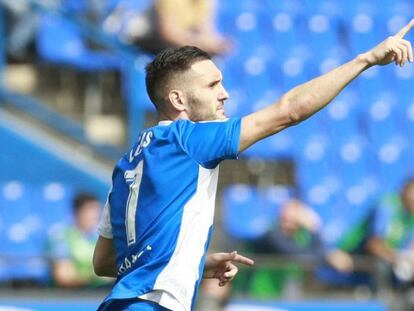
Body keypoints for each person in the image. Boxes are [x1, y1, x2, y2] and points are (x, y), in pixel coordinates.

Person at [93, 19, 414, 311]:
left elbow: (104, 261)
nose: (225, 94)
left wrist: (194, 262)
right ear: (178, 100)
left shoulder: (127, 165)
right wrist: (366, 60)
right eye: (212, 85)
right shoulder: (188, 139)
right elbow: (289, 111)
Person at [103, 0, 230, 55]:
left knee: (206, 55)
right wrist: (200, 44)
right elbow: (167, 33)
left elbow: (206, 29)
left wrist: (214, 44)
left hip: (175, 39)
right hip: (145, 38)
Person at [48, 192, 111, 288]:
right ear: (77, 212)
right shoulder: (62, 237)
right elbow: (64, 276)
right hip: (70, 297)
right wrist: (96, 278)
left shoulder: (101, 238)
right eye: (89, 210)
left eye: (97, 210)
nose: (95, 215)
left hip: (99, 294)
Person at [366, 179, 414, 284]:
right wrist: (398, 258)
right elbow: (373, 244)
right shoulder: (388, 207)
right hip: (363, 254)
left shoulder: (411, 214)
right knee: (382, 265)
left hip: (399, 261)